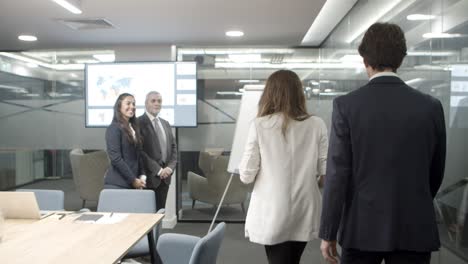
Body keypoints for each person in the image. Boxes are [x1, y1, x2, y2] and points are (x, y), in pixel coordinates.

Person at [319, 22, 446, 264]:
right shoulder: (430, 107)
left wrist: (328, 232)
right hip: (415, 227)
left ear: (365, 59)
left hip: (361, 229)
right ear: (401, 58)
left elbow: (337, 175)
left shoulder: (347, 106)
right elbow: (435, 171)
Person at [239, 69, 328, 264]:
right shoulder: (317, 124)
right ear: (299, 93)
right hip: (305, 208)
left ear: (269, 94)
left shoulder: (260, 125)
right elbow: (326, 172)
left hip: (271, 211)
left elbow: (246, 175)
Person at [139, 91, 178, 210]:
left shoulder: (165, 123)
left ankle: (158, 230)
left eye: (159, 101)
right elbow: (140, 152)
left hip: (165, 179)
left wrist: (170, 168)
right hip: (148, 179)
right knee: (146, 217)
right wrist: (159, 170)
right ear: (146, 103)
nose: (157, 104)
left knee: (160, 213)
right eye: (153, 101)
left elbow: (173, 149)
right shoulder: (137, 123)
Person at [104, 93, 146, 189]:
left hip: (133, 183)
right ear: (119, 106)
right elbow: (116, 159)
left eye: (134, 104)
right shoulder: (114, 128)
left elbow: (138, 155)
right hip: (118, 184)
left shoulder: (134, 128)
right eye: (128, 103)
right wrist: (133, 180)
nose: (132, 106)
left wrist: (142, 176)